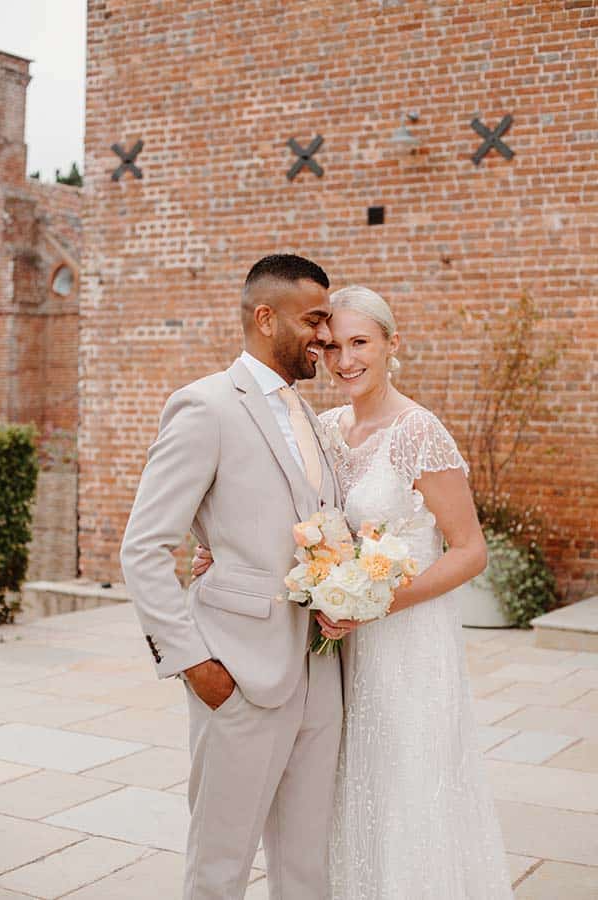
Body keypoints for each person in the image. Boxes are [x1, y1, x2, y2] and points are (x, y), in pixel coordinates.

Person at [194, 285, 514, 899]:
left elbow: (471, 551)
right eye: (332, 345)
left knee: (405, 790)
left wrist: (372, 604)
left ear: (392, 344)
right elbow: (291, 515)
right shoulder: (325, 428)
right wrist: (223, 551)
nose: (344, 360)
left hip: (405, 645)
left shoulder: (419, 432)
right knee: (341, 798)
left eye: (360, 342)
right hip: (337, 651)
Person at [120, 254, 343, 900]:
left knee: (306, 869)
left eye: (328, 321)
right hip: (238, 677)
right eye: (315, 320)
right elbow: (144, 547)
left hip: (318, 675)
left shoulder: (314, 420)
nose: (325, 336)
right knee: (220, 871)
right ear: (265, 317)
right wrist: (195, 664)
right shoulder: (205, 406)